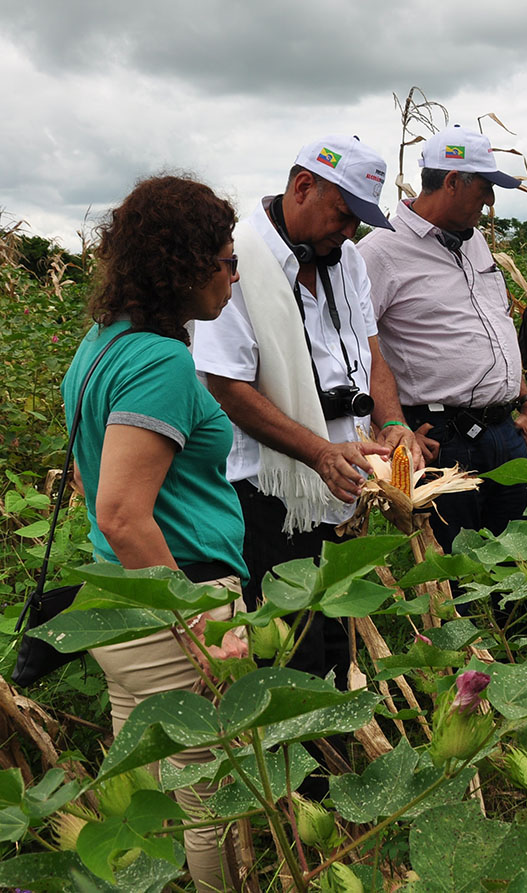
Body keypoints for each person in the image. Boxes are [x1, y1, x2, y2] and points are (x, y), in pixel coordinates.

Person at [62, 175, 248, 892]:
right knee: (212, 801)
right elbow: (120, 510)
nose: (233, 281)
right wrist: (197, 624)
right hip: (176, 597)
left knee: (150, 802)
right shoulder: (164, 361)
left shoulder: (100, 346)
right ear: (188, 263)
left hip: (122, 602)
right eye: (227, 262)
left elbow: (90, 479)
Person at [193, 135, 418, 689]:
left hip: (340, 483)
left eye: (359, 222)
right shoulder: (238, 260)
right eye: (343, 216)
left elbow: (371, 350)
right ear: (301, 187)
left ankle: (336, 765)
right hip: (272, 496)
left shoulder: (344, 260)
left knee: (336, 646)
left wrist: (392, 424)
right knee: (290, 656)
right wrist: (318, 451)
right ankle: (301, 776)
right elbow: (227, 385)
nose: (349, 232)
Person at [359, 124, 527, 555]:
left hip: (505, 433)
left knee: (519, 567)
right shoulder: (381, 251)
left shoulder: (475, 242)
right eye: (485, 187)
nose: (491, 201)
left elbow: (498, 330)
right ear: (453, 182)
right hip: (444, 439)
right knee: (458, 574)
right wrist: (394, 426)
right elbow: (359, 346)